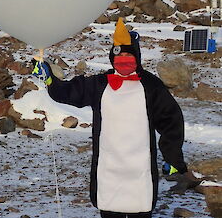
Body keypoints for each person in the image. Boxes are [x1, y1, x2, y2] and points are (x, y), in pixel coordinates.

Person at [32, 18, 197, 218]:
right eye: (121, 55)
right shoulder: (100, 83)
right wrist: (50, 79)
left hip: (140, 167)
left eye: (129, 55)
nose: (124, 59)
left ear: (137, 57)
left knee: (140, 209)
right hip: (109, 167)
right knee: (110, 209)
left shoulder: (151, 86)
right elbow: (70, 92)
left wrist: (173, 157)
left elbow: (171, 120)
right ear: (112, 57)